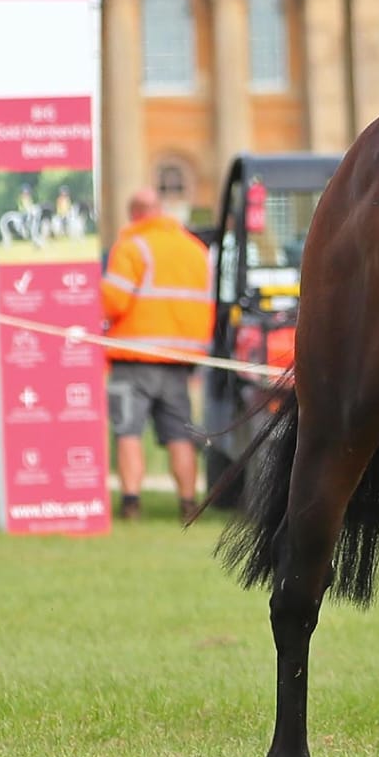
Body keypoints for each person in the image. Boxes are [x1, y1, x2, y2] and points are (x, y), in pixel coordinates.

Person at [101, 187, 213, 521]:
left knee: (128, 431)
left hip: (133, 357)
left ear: (135, 214)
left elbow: (113, 301)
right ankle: (189, 503)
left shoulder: (132, 246)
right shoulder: (196, 250)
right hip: (180, 360)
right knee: (180, 435)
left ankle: (131, 504)